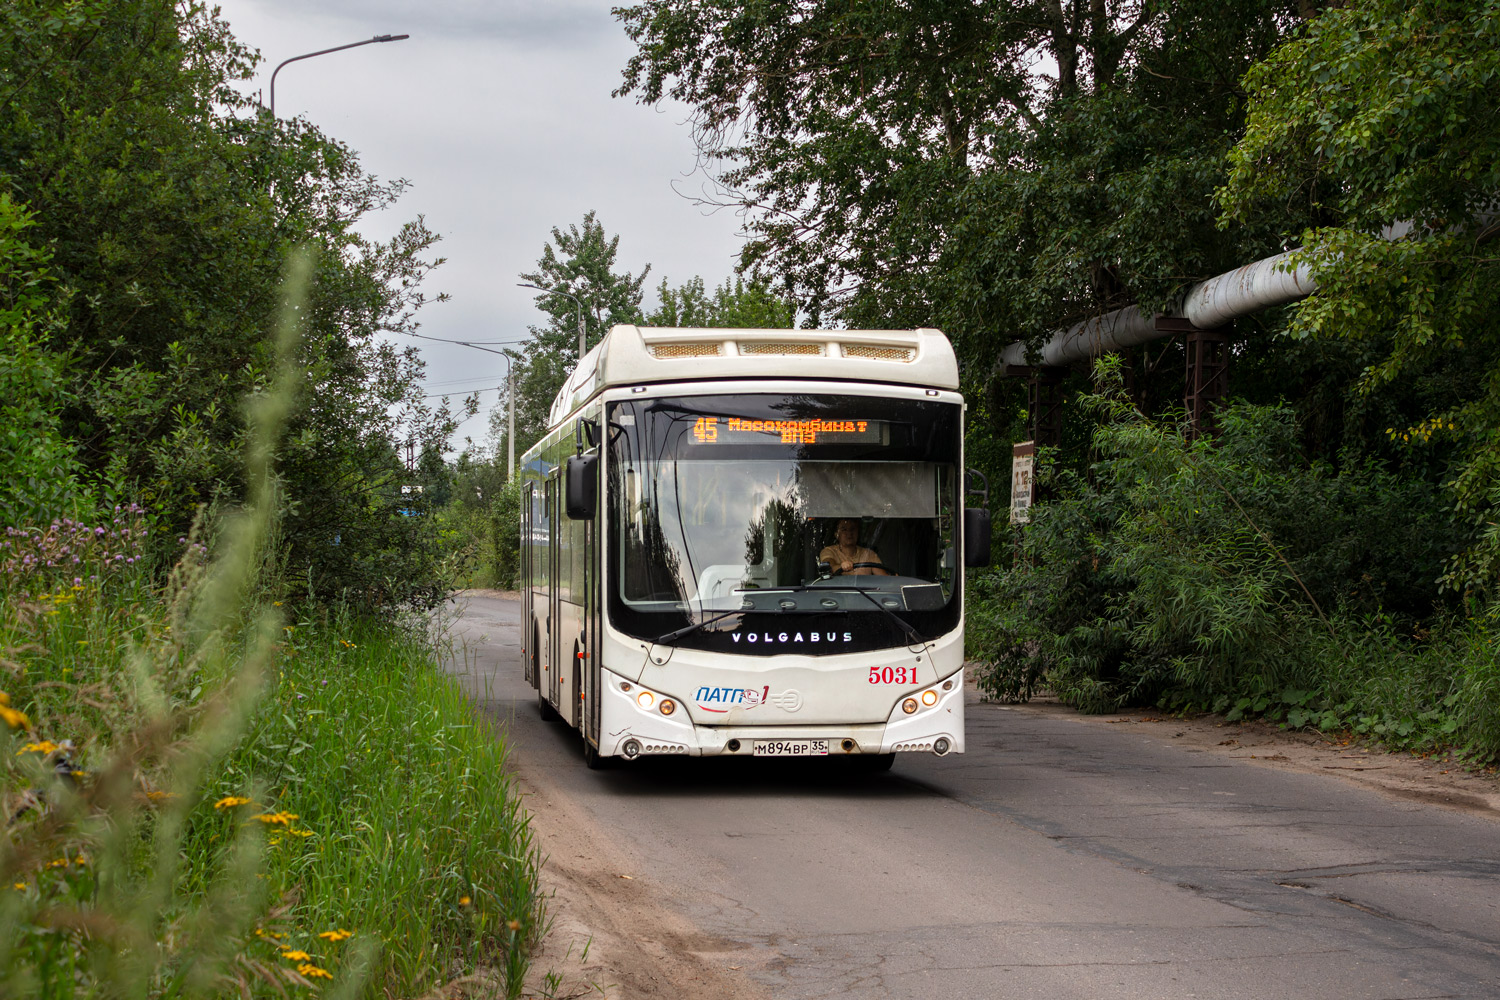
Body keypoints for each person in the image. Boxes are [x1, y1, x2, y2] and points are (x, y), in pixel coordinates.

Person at [818, 518, 890, 576]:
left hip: (865, 593)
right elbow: (828, 567)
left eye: (852, 529)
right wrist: (841, 567)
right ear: (836, 534)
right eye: (844, 529)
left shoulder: (869, 554)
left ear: (858, 532)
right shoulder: (829, 551)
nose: (849, 533)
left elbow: (883, 577)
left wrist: (892, 580)